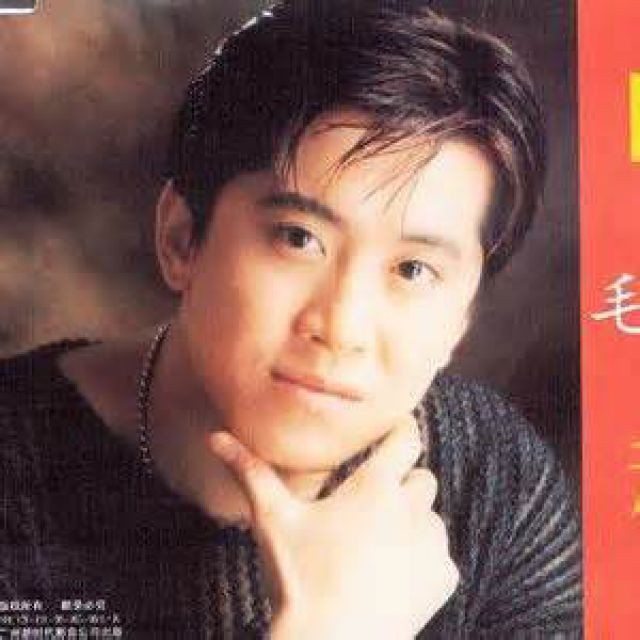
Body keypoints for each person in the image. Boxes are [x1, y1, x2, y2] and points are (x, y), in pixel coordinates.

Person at [0, 1, 582, 637]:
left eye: (413, 270)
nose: (340, 327)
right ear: (181, 238)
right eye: (298, 238)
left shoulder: (495, 483)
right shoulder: (19, 468)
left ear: (460, 322)